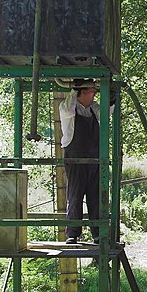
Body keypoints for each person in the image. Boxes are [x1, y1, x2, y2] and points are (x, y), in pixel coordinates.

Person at [60, 79, 111, 244]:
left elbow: (106, 114)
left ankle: (97, 234)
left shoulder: (93, 109)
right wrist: (76, 89)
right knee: (75, 195)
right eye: (91, 91)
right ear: (81, 92)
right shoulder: (67, 108)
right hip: (75, 158)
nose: (94, 94)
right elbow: (68, 108)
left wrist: (112, 99)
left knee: (95, 196)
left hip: (94, 159)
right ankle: (72, 234)